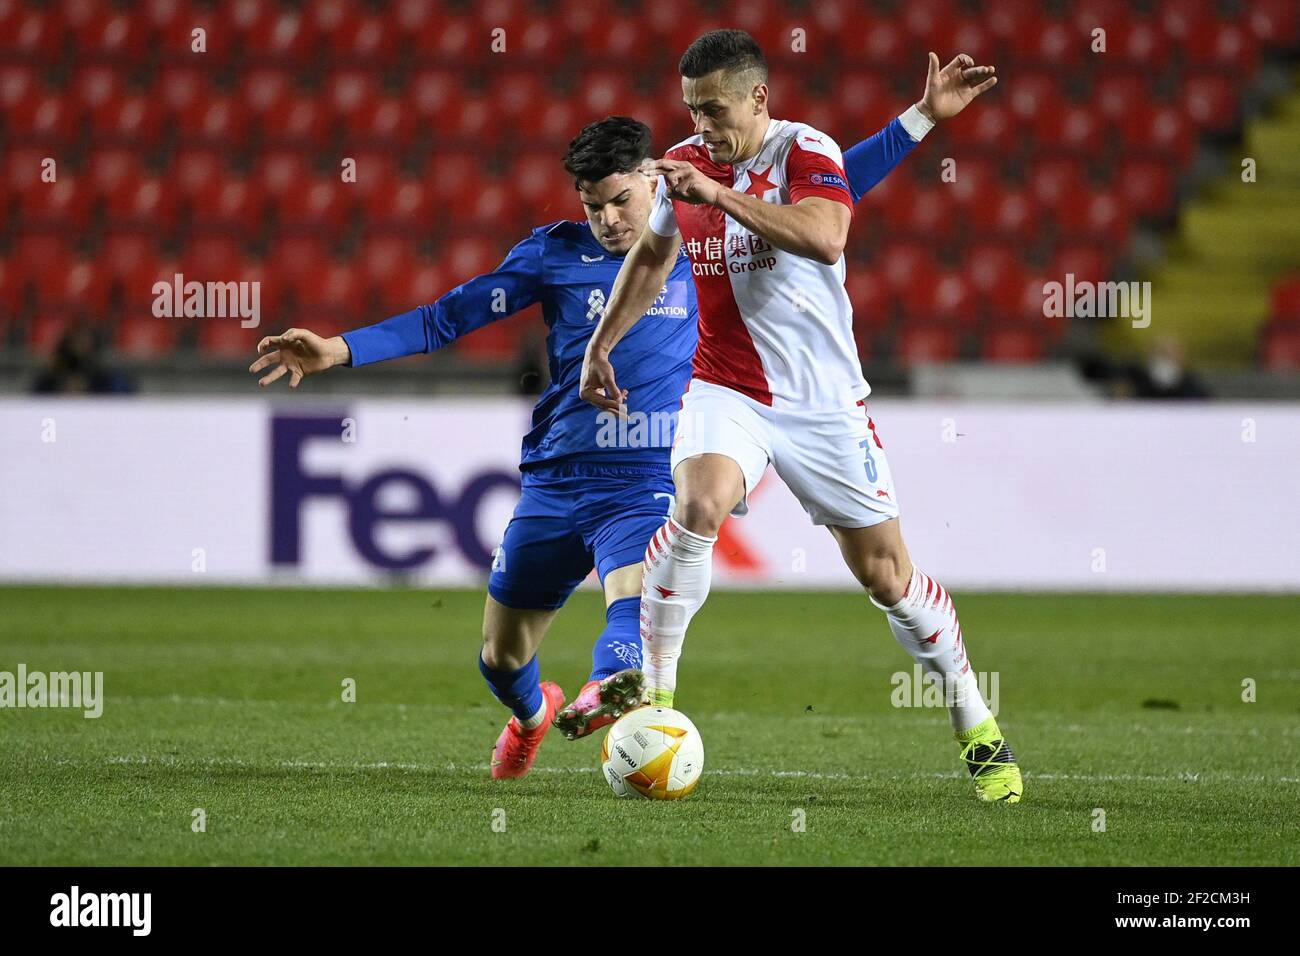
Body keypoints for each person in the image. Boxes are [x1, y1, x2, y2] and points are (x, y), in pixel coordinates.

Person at [249, 53, 976, 780]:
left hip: (649, 470)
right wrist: (338, 349)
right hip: (560, 473)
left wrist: (917, 122)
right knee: (501, 655)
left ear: (654, 182)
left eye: (622, 200)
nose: (608, 219)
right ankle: (534, 715)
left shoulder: (700, 230)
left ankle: (622, 691)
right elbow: (448, 318)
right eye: (593, 204)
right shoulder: (552, 255)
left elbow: (831, 190)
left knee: (635, 595)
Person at [579, 30, 1020, 803]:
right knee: (697, 504)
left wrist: (718, 194)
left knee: (888, 577)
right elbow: (651, 259)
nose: (703, 125)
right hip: (727, 387)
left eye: (714, 109)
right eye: (691, 110)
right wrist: (601, 345)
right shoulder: (686, 163)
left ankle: (975, 722)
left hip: (823, 404)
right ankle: (657, 700)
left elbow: (827, 234)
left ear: (758, 97)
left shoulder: (801, 150)